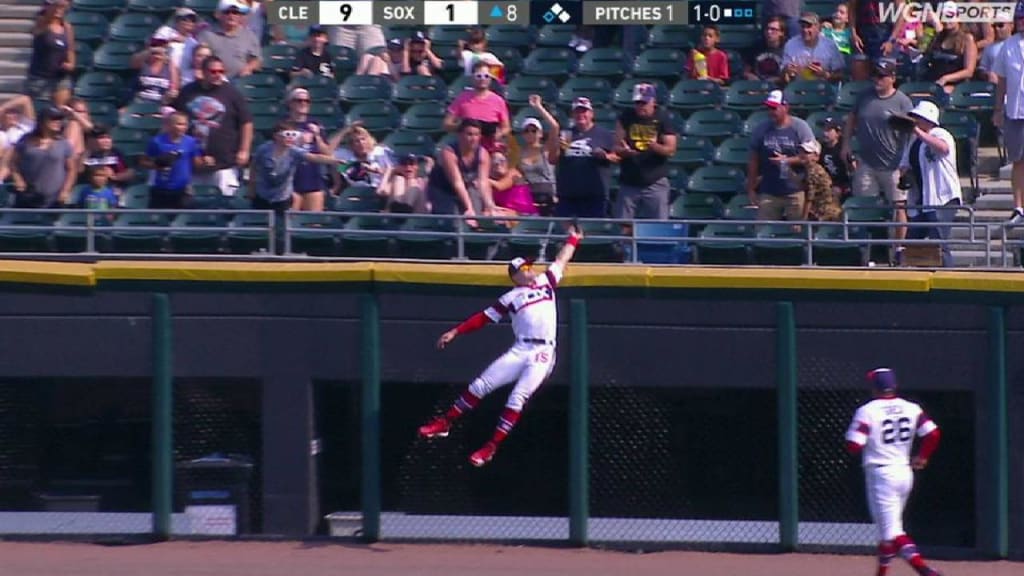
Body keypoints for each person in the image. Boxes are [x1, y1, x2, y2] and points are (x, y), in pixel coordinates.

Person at [417, 224, 584, 467]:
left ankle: (490, 447)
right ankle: (446, 423)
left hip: (542, 352)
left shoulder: (546, 280)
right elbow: (482, 319)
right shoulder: (511, 296)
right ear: (516, 275)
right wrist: (455, 331)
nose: (530, 269)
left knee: (517, 398)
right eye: (525, 267)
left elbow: (562, 258)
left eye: (529, 265)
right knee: (480, 385)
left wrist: (574, 239)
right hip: (521, 348)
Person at [845, 368, 942, 576]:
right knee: (887, 530)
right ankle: (881, 572)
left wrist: (858, 435)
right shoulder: (911, 408)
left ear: (874, 388)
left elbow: (854, 445)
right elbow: (933, 434)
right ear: (894, 386)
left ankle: (925, 570)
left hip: (881, 474)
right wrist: (922, 456)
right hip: (904, 471)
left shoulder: (868, 410)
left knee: (893, 532)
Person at [843, 60, 912, 261]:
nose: (877, 79)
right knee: (866, 207)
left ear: (892, 78)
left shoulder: (902, 101)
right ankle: (870, 251)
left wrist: (905, 162)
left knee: (898, 206)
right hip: (867, 162)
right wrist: (846, 143)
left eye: (882, 76)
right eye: (875, 75)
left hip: (893, 162)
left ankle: (899, 250)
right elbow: (851, 119)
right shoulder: (864, 97)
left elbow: (910, 132)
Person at [173, 55, 253, 198]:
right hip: (192, 162)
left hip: (224, 162)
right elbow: (176, 118)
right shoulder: (188, 91)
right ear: (203, 72)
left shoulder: (232, 93)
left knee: (226, 203)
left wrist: (244, 150)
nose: (218, 75)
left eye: (221, 72)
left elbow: (246, 122)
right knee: (190, 204)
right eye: (213, 72)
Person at [898, 101, 963, 268]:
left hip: (942, 197)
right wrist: (904, 175)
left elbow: (943, 148)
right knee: (911, 242)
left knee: (939, 240)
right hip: (922, 199)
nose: (915, 120)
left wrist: (917, 131)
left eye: (918, 117)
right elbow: (905, 165)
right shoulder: (913, 142)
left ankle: (949, 277)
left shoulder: (941, 133)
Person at [747, 90, 816, 222]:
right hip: (768, 191)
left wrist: (787, 161)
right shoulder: (761, 129)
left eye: (775, 108)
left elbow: (812, 156)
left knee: (797, 232)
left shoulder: (800, 127)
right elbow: (753, 160)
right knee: (764, 231)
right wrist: (751, 189)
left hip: (796, 190)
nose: (771, 112)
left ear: (785, 107)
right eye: (769, 108)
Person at [249, 120, 345, 214]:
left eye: (293, 135)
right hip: (262, 194)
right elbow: (254, 167)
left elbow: (314, 157)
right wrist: (252, 188)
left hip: (282, 197)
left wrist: (334, 160)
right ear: (276, 136)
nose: (290, 138)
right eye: (287, 134)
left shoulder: (294, 151)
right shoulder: (263, 150)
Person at [614, 83, 677, 220]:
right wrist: (624, 151)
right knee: (623, 224)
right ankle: (624, 242)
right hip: (629, 180)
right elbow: (616, 147)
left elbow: (671, 149)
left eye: (644, 103)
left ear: (653, 102)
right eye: (638, 103)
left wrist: (655, 147)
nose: (640, 106)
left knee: (658, 225)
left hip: (655, 180)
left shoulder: (662, 118)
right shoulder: (626, 117)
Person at [554, 97, 618, 219]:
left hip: (595, 195)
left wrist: (605, 156)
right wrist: (556, 145)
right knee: (566, 233)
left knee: (593, 232)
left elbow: (617, 157)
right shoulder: (566, 134)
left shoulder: (604, 135)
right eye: (577, 111)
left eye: (584, 111)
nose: (581, 115)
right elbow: (553, 159)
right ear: (572, 114)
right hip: (568, 194)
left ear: (591, 114)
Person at [426, 118, 494, 223]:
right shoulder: (449, 152)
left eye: (476, 135)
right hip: (443, 190)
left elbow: (483, 183)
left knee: (477, 220)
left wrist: (490, 205)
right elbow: (457, 183)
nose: (473, 138)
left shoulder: (483, 154)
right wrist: (469, 208)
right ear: (460, 135)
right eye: (469, 134)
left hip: (467, 187)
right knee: (452, 222)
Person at [141, 111, 212, 209]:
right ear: (169, 125)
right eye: (179, 124)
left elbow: (196, 163)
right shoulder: (156, 141)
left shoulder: (191, 142)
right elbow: (143, 161)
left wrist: (206, 161)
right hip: (161, 189)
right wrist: (157, 166)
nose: (183, 127)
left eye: (185, 124)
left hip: (182, 190)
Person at [9, 106, 76, 208]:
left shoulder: (63, 143)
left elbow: (71, 169)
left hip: (54, 199)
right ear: (42, 121)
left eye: (59, 119)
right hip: (28, 196)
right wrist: (18, 179)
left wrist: (65, 191)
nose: (57, 122)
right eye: (53, 119)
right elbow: (13, 163)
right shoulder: (26, 140)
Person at [993, 3, 1024, 224]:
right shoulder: (1008, 46)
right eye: (1020, 18)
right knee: (1018, 161)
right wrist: (997, 109)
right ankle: (1019, 207)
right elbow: (1001, 81)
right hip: (1015, 110)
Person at [444, 61, 511, 153]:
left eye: (486, 76)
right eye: (479, 76)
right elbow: (446, 124)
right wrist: (464, 127)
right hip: (467, 148)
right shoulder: (462, 98)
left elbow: (506, 127)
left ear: (490, 78)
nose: (482, 79)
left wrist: (499, 134)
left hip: (490, 147)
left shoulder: (498, 100)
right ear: (472, 78)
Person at [285, 88, 332, 212]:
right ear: (290, 103)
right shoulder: (284, 124)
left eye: (307, 101)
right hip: (290, 181)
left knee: (313, 222)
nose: (303, 103)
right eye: (299, 100)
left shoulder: (316, 125)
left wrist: (317, 136)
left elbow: (327, 153)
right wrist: (298, 141)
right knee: (291, 222)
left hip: (312, 179)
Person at [920, 3, 978, 95]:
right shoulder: (938, 37)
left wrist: (946, 78)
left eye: (950, 16)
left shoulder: (967, 39)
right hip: (933, 82)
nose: (946, 20)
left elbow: (969, 71)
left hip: (956, 86)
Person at [516, 95, 560, 216]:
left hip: (548, 194)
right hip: (528, 195)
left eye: (533, 130)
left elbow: (555, 127)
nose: (530, 133)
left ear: (540, 133)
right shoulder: (519, 153)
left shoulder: (545, 149)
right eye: (526, 131)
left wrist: (539, 107)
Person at [197, 0, 262, 79]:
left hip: (241, 81)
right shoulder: (207, 35)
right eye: (227, 12)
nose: (231, 16)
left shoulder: (249, 35)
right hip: (215, 80)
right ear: (218, 15)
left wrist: (248, 68)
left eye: (235, 12)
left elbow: (256, 60)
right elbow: (200, 59)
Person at [25, 0, 74, 101]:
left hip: (60, 78)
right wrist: (52, 8)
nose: (58, 10)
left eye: (62, 7)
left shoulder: (67, 27)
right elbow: (36, 30)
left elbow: (70, 49)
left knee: (62, 111)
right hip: (39, 77)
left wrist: (71, 63)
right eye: (56, 6)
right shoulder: (42, 23)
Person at [782, 12, 846, 83]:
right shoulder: (791, 44)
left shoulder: (830, 45)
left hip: (824, 88)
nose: (805, 30)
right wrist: (787, 70)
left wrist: (825, 74)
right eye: (803, 26)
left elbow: (841, 74)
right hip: (798, 88)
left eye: (809, 26)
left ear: (818, 27)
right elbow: (784, 73)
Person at [799, 139, 842, 222]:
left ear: (816, 156)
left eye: (807, 153)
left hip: (826, 214)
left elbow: (809, 199)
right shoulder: (812, 169)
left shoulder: (813, 172)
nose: (802, 154)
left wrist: (802, 220)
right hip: (823, 211)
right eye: (801, 151)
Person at [743, 17, 787, 84]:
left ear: (781, 33)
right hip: (756, 86)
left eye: (773, 29)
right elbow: (746, 71)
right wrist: (751, 76)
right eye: (767, 29)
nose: (769, 32)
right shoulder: (755, 48)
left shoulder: (786, 50)